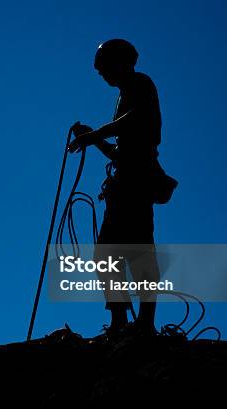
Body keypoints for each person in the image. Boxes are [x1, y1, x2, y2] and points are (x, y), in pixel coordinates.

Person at [68, 39, 162, 337]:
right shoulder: (125, 95)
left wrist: (95, 133)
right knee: (108, 254)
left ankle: (143, 323)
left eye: (104, 67)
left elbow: (132, 122)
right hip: (124, 183)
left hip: (136, 183)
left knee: (138, 252)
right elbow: (119, 149)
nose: (101, 73)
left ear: (120, 62)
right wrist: (93, 138)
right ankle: (121, 322)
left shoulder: (141, 85)